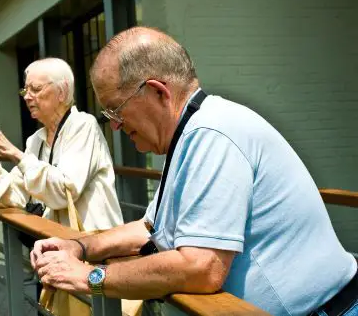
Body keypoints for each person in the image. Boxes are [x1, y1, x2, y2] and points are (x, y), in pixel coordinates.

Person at [29, 27, 358, 316]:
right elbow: (150, 229)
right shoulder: (192, 130)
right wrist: (81, 247)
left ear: (158, 92)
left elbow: (201, 267)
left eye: (116, 109)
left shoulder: (211, 132)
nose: (114, 125)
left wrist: (90, 277)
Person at [0, 57, 124, 233]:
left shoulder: (83, 125)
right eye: (25, 90)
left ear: (62, 91)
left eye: (35, 89)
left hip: (95, 247)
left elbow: (64, 192)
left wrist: (15, 153)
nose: (27, 97)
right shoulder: (35, 140)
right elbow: (13, 195)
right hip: (61, 247)